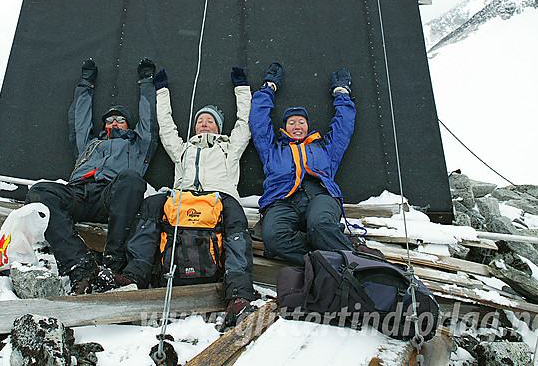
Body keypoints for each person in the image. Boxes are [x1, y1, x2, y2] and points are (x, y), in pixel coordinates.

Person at [105, 66, 258, 328]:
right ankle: (134, 277)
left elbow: (245, 122)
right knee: (151, 205)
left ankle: (239, 297)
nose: (204, 124)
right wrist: (161, 91)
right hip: (182, 198)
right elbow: (166, 127)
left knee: (236, 222)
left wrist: (241, 88)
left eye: (209, 120)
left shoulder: (229, 148)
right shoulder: (183, 150)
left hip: (220, 198)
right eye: (200, 121)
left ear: (218, 126)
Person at [25, 57, 158, 294]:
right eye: (109, 120)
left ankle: (112, 264)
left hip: (111, 195)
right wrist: (86, 84)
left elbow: (149, 123)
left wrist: (146, 82)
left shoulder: (137, 145)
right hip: (78, 192)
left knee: (132, 179)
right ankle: (80, 265)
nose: (114, 123)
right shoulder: (90, 144)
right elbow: (79, 119)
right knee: (40, 192)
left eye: (120, 120)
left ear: (128, 125)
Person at [249, 62, 356, 265]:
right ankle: (326, 259)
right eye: (292, 122)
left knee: (320, 225)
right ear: (285, 128)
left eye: (301, 122)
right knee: (272, 237)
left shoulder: (324, 149)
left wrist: (342, 93)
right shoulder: (273, 150)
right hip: (282, 199)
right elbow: (259, 122)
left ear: (307, 126)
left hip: (320, 194)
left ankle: (354, 268)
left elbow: (343, 127)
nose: (297, 126)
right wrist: (268, 88)